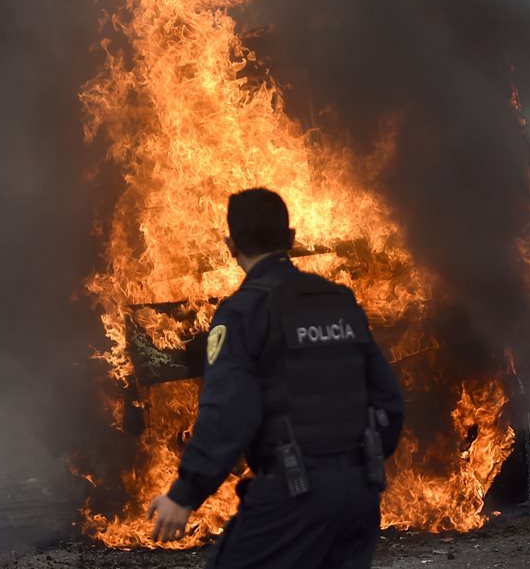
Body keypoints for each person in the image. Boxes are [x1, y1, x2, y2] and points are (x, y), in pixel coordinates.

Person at [146, 188, 405, 568]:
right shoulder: (339, 301)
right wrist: (354, 467)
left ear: (231, 246)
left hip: (293, 493)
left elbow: (228, 414)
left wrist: (185, 494)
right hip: (360, 494)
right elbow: (389, 402)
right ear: (291, 238)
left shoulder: (243, 313)